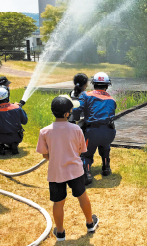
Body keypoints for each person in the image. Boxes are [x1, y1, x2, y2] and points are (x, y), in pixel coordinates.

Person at [36, 96, 99, 240]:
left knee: (58, 203)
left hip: (56, 173)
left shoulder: (44, 131)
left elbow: (45, 155)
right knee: (82, 196)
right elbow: (80, 150)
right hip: (76, 171)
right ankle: (90, 224)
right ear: (67, 114)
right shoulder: (76, 129)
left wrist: (57, 158)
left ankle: (60, 233)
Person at [74, 72, 116, 185]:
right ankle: (106, 167)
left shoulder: (86, 95)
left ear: (94, 84)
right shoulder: (112, 99)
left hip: (92, 132)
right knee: (105, 145)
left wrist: (75, 119)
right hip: (110, 133)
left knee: (86, 154)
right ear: (107, 85)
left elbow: (77, 109)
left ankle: (87, 174)